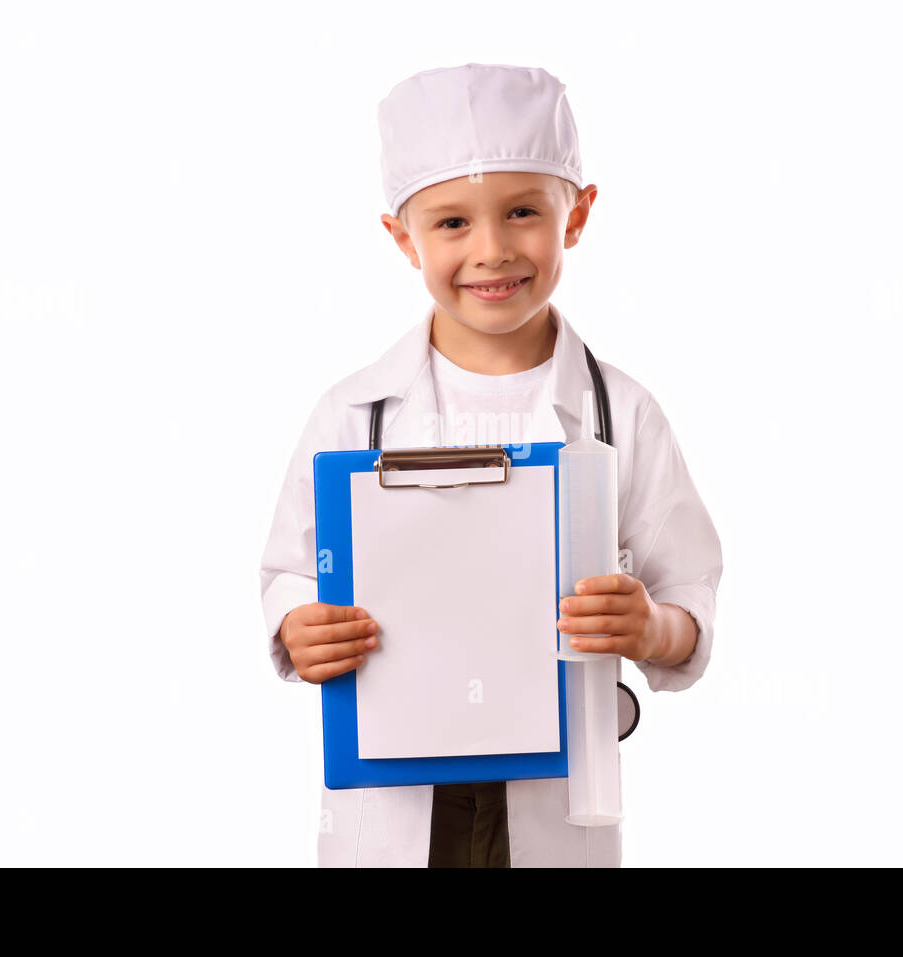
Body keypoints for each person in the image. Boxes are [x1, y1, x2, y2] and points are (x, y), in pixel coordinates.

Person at [260, 63, 723, 867]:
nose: (492, 249)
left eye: (521, 212)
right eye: (450, 223)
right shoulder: (352, 412)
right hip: (397, 800)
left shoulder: (625, 415)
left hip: (553, 804)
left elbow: (690, 596)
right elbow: (291, 572)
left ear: (575, 216)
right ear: (401, 237)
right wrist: (298, 627)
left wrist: (651, 627)